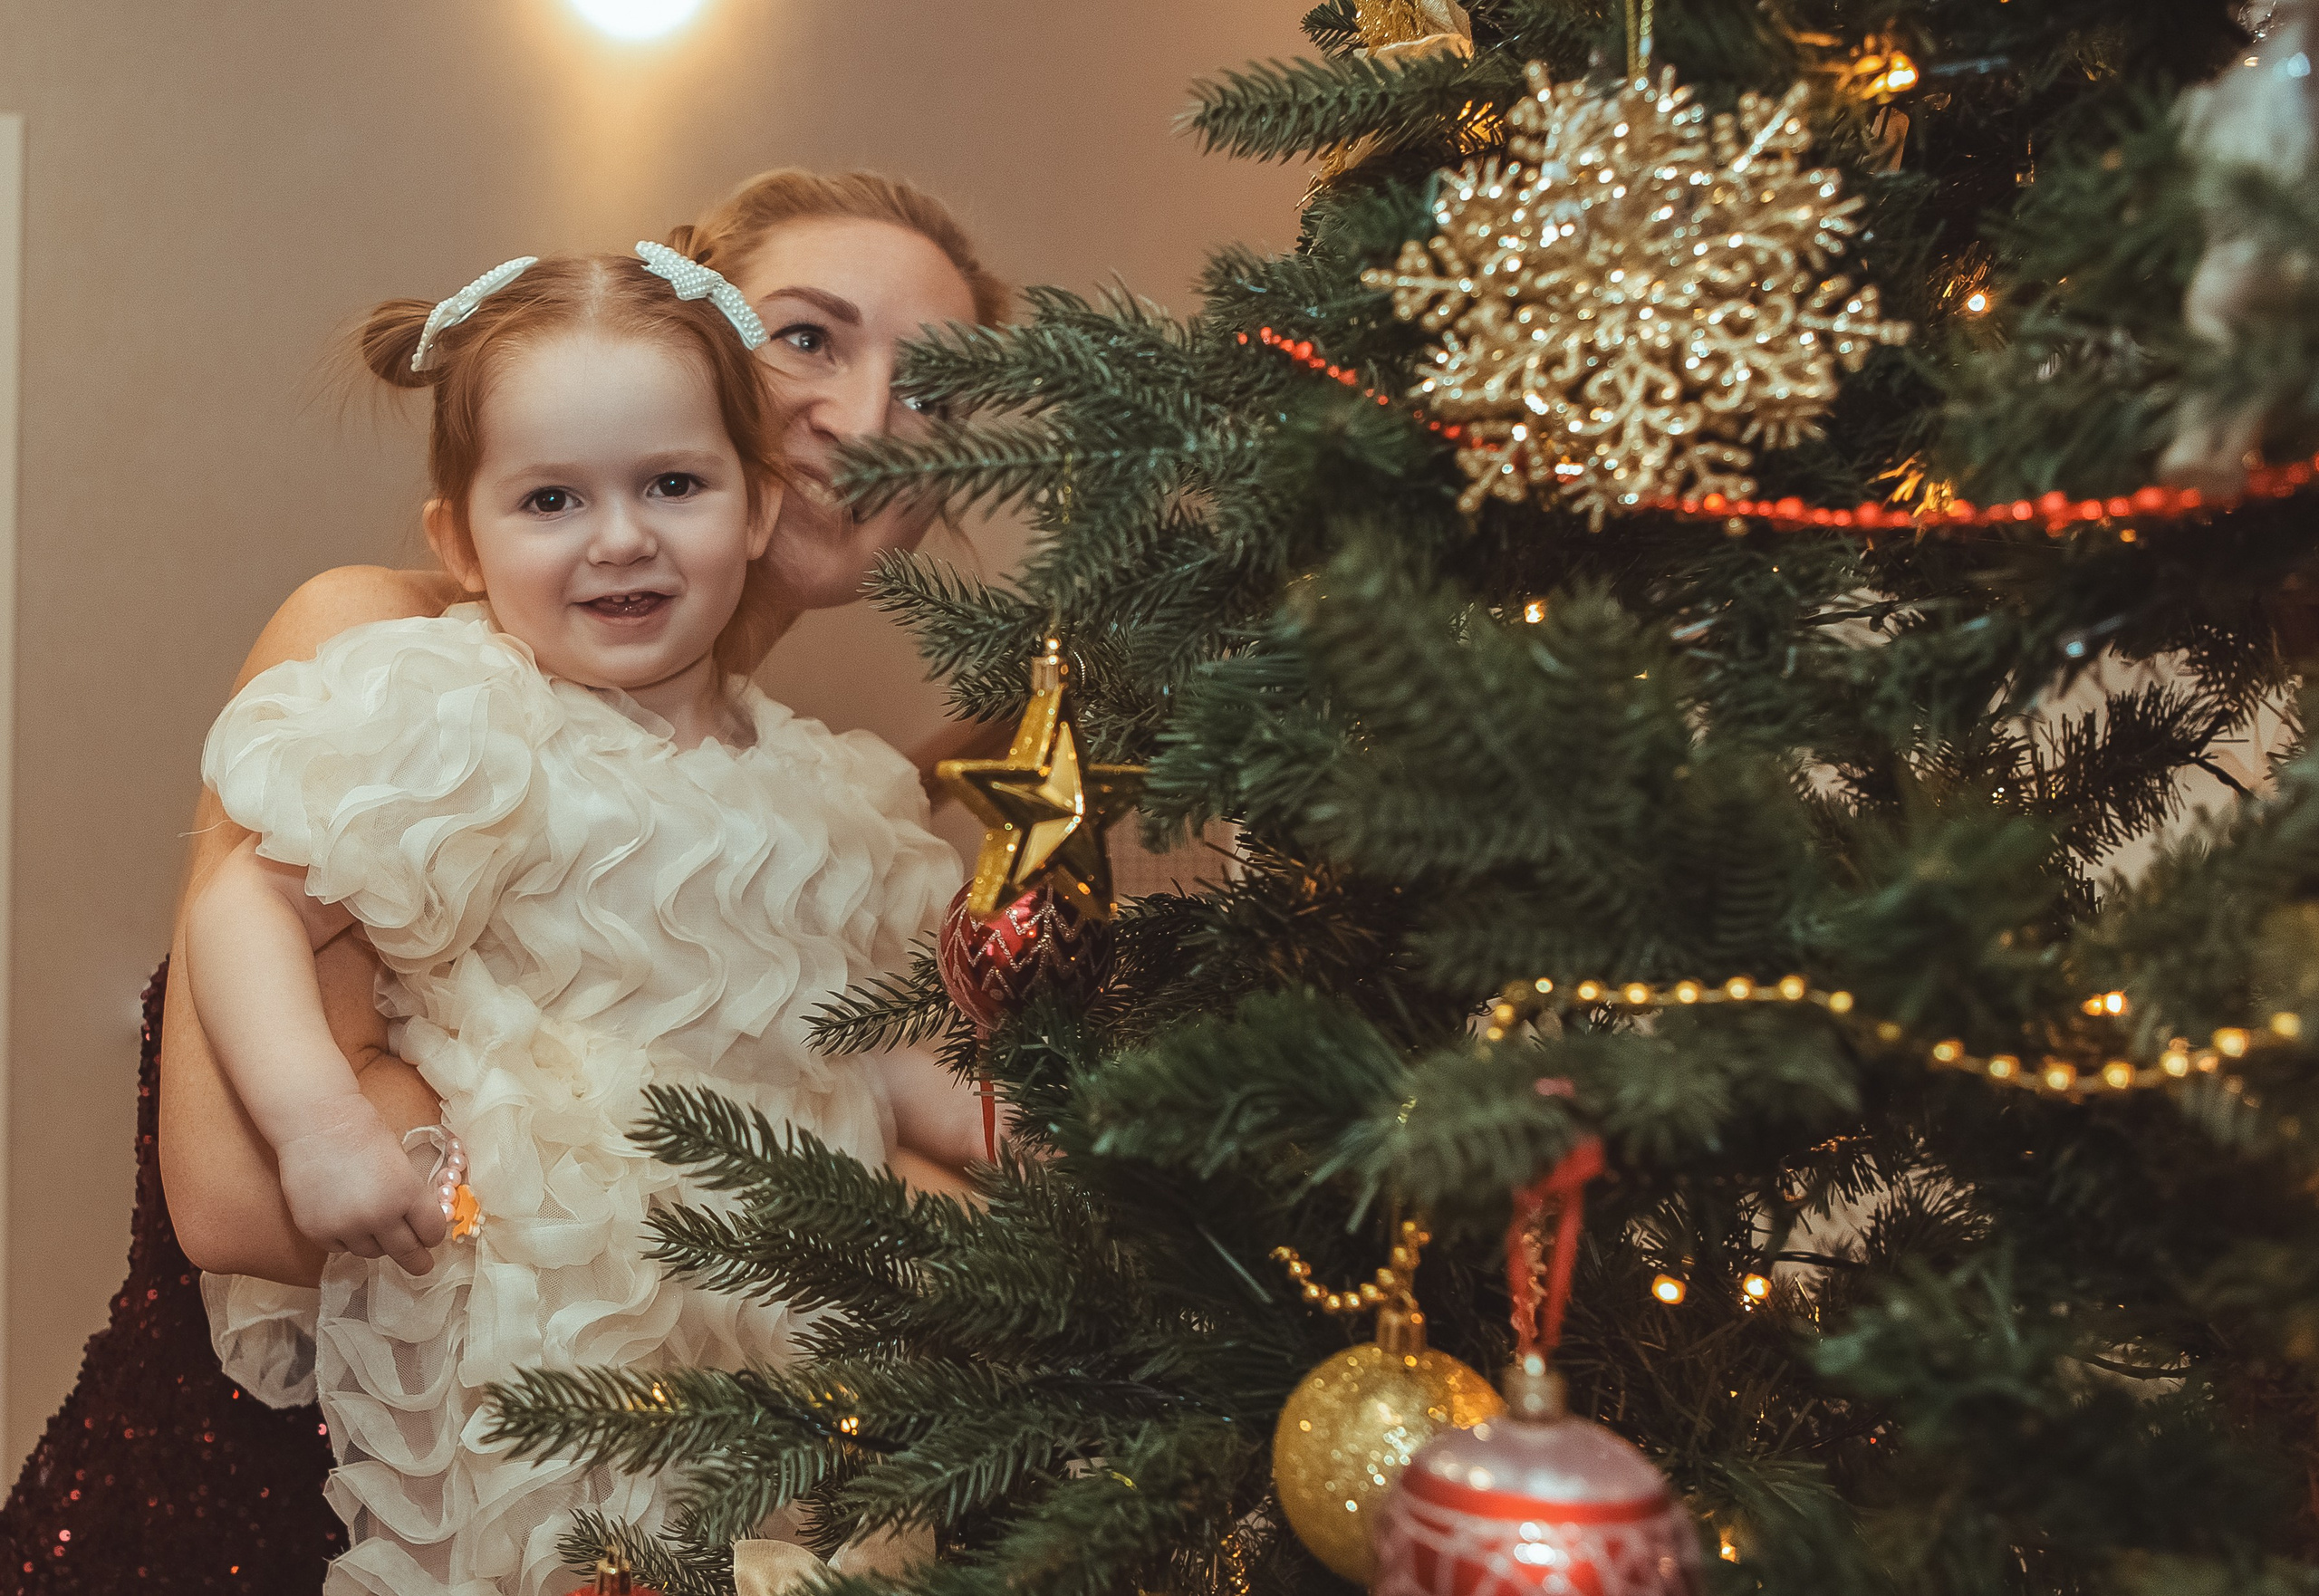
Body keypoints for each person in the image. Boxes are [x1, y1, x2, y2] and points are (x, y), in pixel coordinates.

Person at [0, 169, 1011, 1595]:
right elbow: (238, 1197)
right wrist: (826, 1199)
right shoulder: (407, 668)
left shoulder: (825, 800)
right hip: (276, 1511)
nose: (866, 417)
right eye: (809, 337)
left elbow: (884, 1075)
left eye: (937, 389)